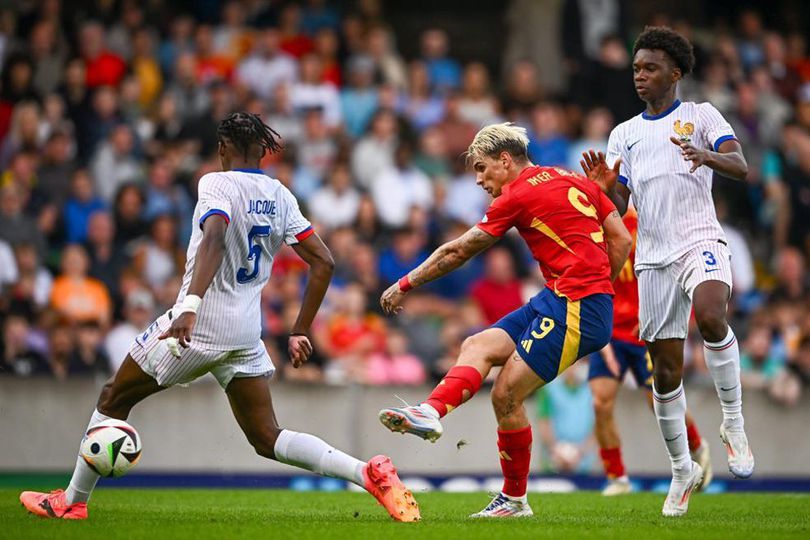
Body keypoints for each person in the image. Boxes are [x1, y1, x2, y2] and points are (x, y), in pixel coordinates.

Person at [20, 112, 419, 523]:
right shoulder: (280, 195)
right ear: (262, 151)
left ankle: (72, 501)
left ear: (224, 148)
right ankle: (368, 474)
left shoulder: (216, 183)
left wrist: (189, 307)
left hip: (201, 324)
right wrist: (300, 328)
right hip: (246, 332)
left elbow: (214, 235)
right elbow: (324, 261)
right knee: (267, 437)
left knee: (113, 397)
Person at [377, 122, 632, 517]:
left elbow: (457, 252)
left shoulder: (518, 194)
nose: (479, 179)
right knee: (477, 345)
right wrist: (600, 288)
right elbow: (622, 240)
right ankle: (430, 413)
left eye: (481, 168)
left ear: (505, 160)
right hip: (564, 298)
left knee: (505, 394)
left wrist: (405, 284)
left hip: (575, 303)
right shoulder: (572, 177)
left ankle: (514, 500)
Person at [583, 26, 754, 517]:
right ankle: (681, 469)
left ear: (674, 73)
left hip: (699, 238)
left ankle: (734, 424)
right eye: (636, 68)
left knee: (712, 316)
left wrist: (707, 155)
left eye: (650, 68)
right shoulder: (624, 134)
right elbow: (619, 203)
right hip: (652, 255)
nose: (640, 76)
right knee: (665, 374)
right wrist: (603, 188)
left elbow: (741, 165)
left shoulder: (701, 116)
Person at [588, 208, 712, 496]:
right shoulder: (592, 225)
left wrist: (659, 311)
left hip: (645, 326)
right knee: (600, 403)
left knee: (657, 400)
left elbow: (672, 270)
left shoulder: (648, 222)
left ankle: (696, 445)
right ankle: (617, 477)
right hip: (609, 329)